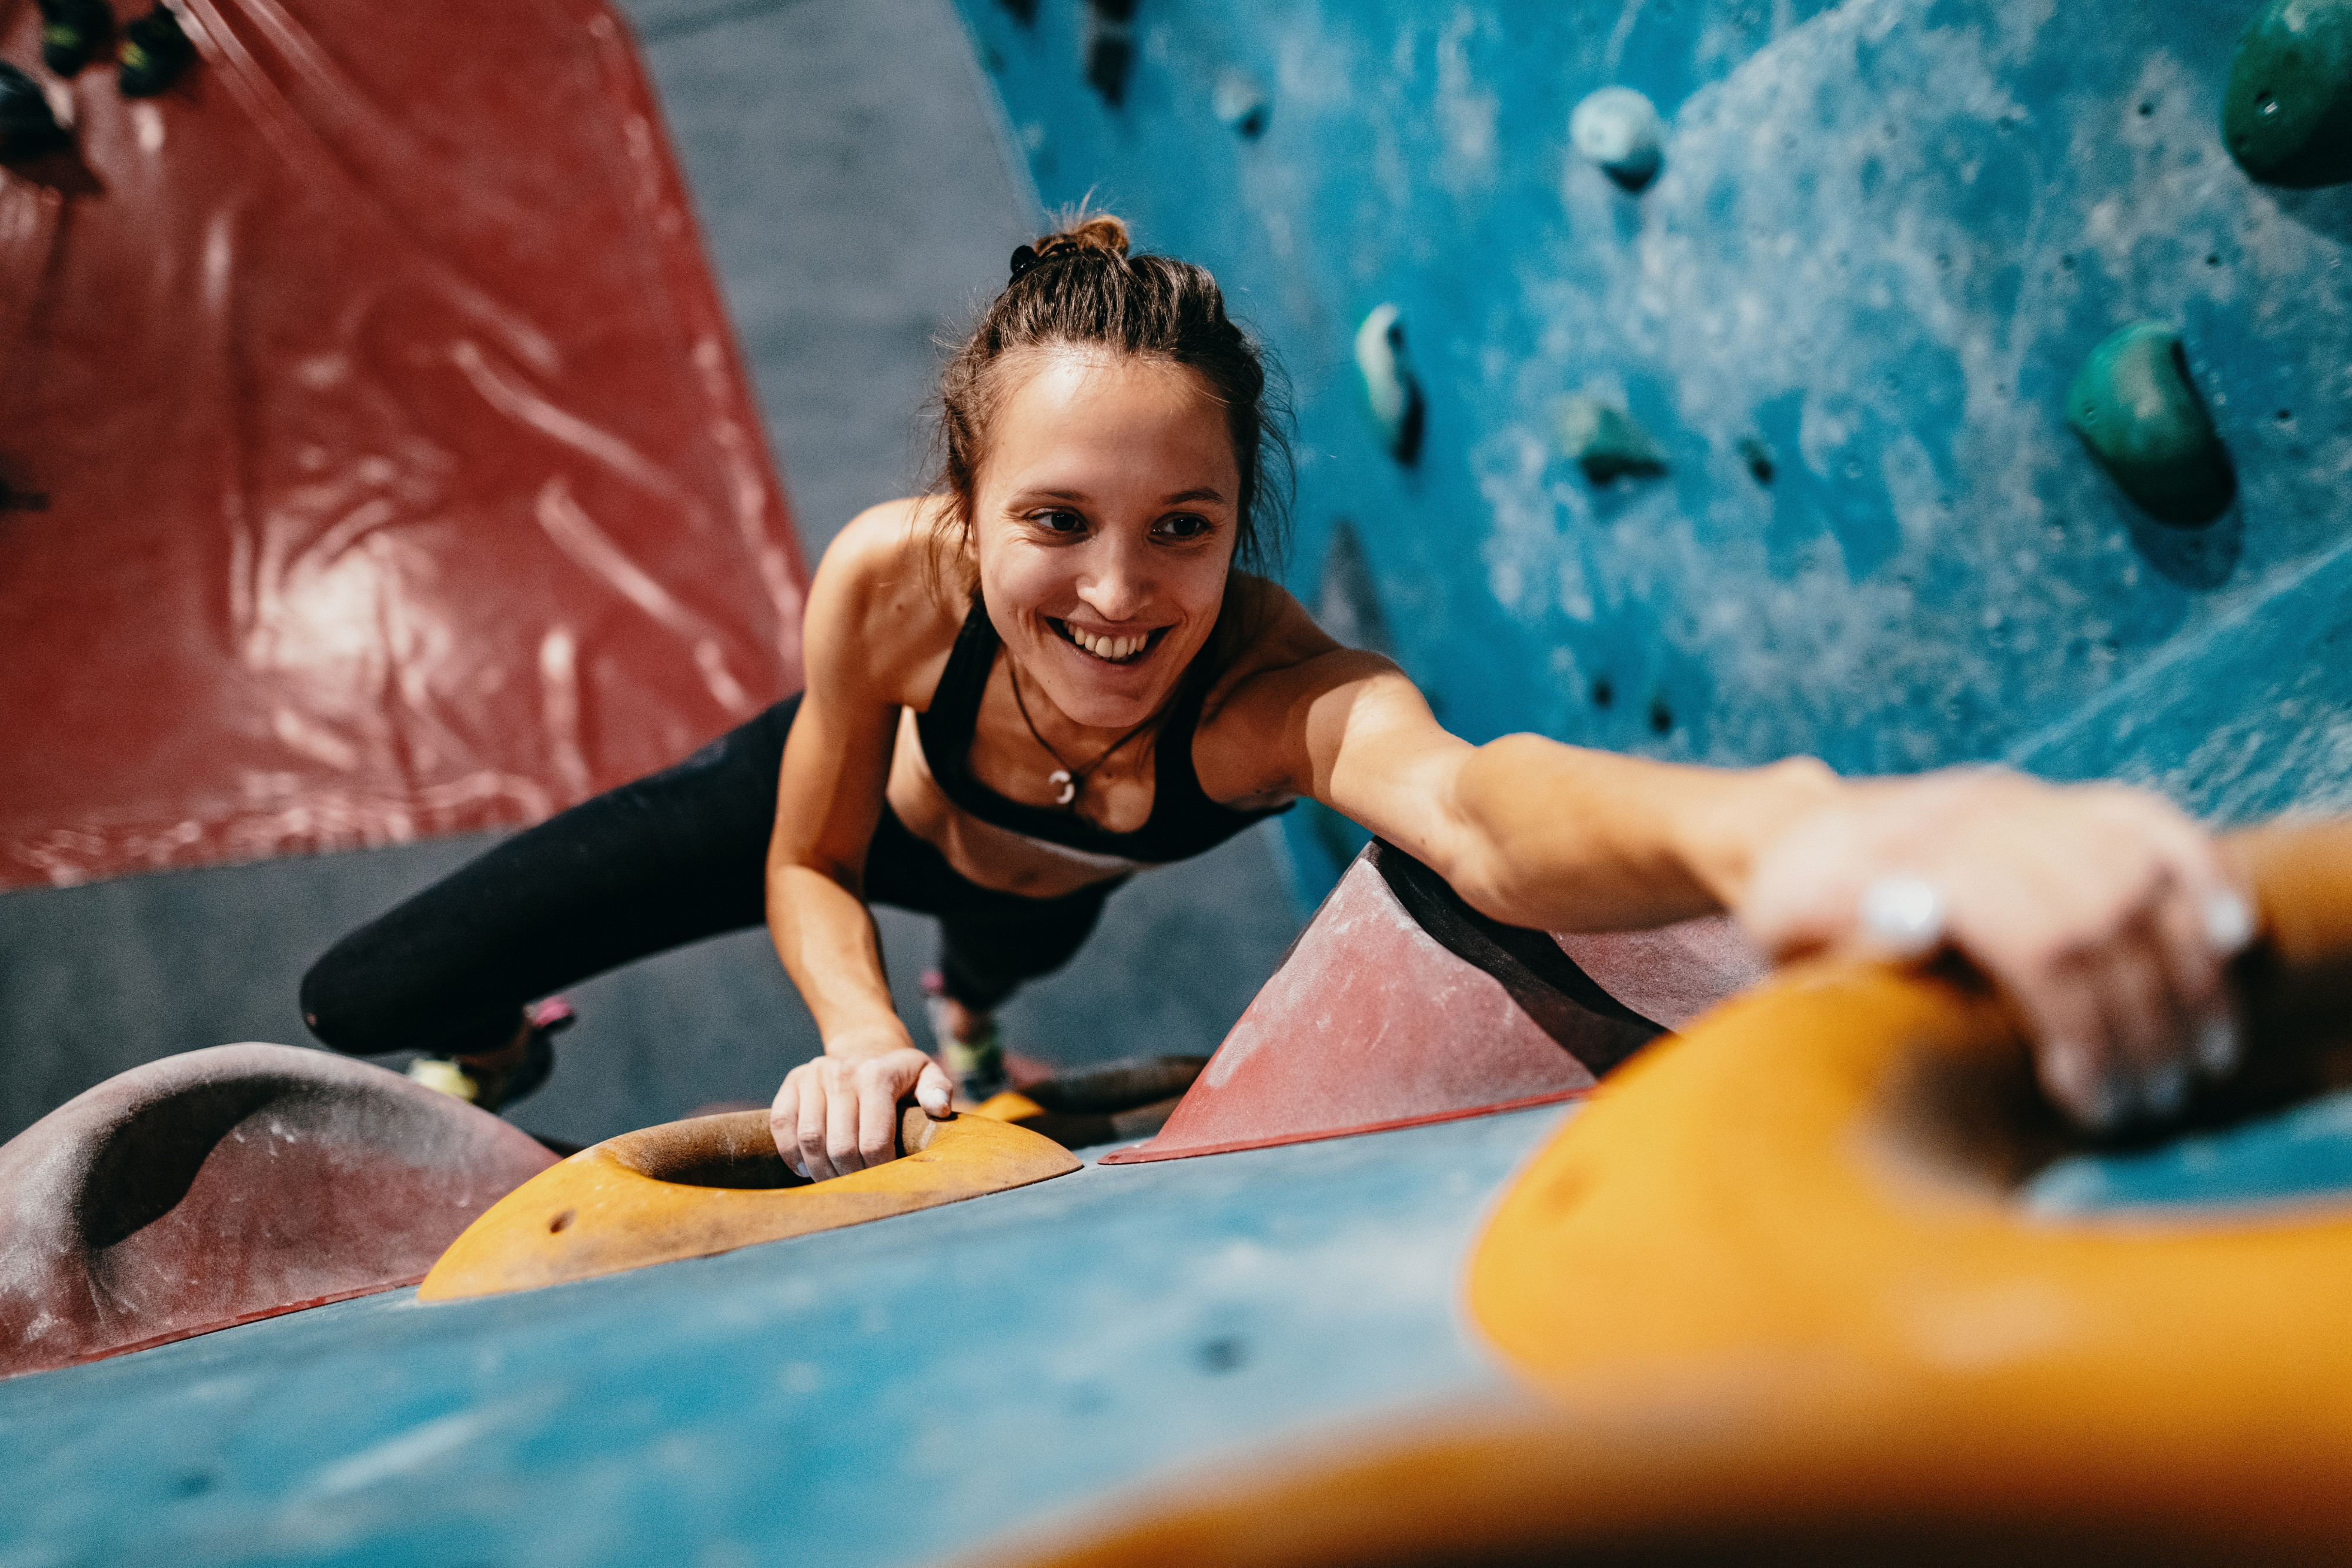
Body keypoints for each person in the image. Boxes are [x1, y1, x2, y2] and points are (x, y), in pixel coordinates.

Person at [301, 215, 2253, 1179]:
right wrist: (847, 1028)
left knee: (1010, 972)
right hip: (836, 815)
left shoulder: (1266, 703)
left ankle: (978, 1005)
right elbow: (808, 854)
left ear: (1243, 526)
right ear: (966, 513)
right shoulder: (892, 585)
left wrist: (1801, 826)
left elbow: (1483, 810)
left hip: (1026, 888)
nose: (1122, 592)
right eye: (1056, 521)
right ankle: (538, 1035)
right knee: (365, 1003)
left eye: (1187, 527)